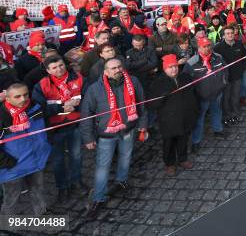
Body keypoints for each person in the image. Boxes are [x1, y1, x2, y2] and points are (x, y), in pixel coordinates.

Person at [80, 58, 148, 219]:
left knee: (125, 158)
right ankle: (98, 198)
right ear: (105, 72)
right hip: (106, 135)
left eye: (119, 67)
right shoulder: (94, 89)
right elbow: (86, 114)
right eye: (113, 68)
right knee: (102, 167)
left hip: (128, 129)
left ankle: (121, 181)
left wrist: (143, 124)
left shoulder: (133, 81)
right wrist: (88, 137)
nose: (117, 70)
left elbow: (142, 103)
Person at [32, 55, 87, 202]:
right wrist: (61, 107)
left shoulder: (79, 78)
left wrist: (76, 106)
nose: (59, 69)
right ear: (48, 70)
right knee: (58, 160)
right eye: (54, 67)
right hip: (54, 128)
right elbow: (38, 109)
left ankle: (76, 181)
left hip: (75, 124)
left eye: (61, 65)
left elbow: (88, 100)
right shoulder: (41, 85)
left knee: (76, 156)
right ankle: (62, 187)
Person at [0, 83, 51, 216]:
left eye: (25, 94)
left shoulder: (35, 107)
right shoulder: (2, 117)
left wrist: (45, 146)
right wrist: (9, 163)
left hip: (36, 160)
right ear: (8, 98)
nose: (23, 99)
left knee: (38, 191)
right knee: (11, 199)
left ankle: (42, 214)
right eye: (17, 96)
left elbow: (47, 126)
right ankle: (6, 224)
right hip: (13, 168)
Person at [148, 54, 198, 176]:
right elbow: (151, 105)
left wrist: (195, 110)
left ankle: (182, 159)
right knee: (169, 143)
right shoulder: (158, 83)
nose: (174, 69)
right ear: (164, 69)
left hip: (185, 116)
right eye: (170, 67)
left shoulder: (185, 77)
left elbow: (193, 94)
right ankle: (169, 164)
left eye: (175, 66)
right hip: (168, 120)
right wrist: (161, 97)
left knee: (183, 139)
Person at [183, 36, 227, 152]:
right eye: (204, 46)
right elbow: (185, 80)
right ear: (198, 48)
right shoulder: (191, 63)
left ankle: (218, 130)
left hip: (217, 93)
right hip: (201, 97)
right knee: (199, 119)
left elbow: (225, 71)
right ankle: (196, 141)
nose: (207, 48)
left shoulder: (218, 57)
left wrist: (223, 83)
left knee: (217, 111)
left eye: (208, 46)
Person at [214, 26, 246, 125]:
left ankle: (235, 114)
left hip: (237, 75)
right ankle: (226, 116)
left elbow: (244, 56)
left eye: (231, 33)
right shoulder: (218, 47)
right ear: (223, 36)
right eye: (227, 33)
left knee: (235, 96)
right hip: (225, 77)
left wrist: (243, 67)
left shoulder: (239, 44)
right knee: (226, 97)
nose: (230, 35)